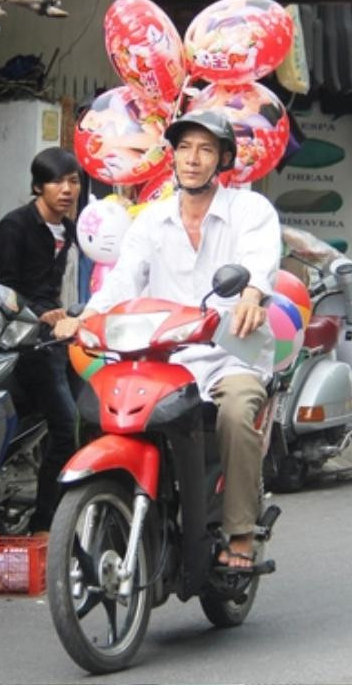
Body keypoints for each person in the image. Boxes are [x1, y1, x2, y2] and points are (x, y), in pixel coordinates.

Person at [54, 110, 281, 570]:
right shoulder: (152, 220)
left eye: (205, 150)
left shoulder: (250, 210)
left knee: (236, 413)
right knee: (108, 412)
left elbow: (260, 262)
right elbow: (123, 279)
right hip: (164, 358)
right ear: (172, 157)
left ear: (222, 160)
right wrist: (86, 316)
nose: (192, 160)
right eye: (184, 148)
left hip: (229, 353)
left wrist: (253, 296)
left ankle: (239, 531)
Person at [0, 146, 81, 534]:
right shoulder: (15, 226)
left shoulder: (71, 229)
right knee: (67, 427)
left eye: (73, 181)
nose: (66, 189)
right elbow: (4, 290)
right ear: (37, 186)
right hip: (28, 341)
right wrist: (35, 313)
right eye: (57, 181)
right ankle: (46, 524)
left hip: (60, 335)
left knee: (83, 418)